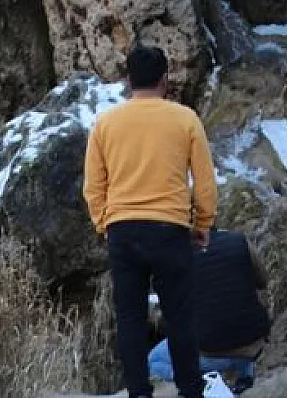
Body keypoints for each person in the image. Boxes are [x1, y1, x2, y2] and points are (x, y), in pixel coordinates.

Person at [83, 45, 218, 398]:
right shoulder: (185, 119)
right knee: (180, 318)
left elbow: (93, 186)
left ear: (128, 80)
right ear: (165, 79)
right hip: (170, 229)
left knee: (129, 318)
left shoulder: (106, 123)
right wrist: (202, 224)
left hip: (123, 230)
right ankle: (190, 391)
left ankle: (139, 392)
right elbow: (204, 182)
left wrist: (104, 223)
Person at [147, 230, 271, 395]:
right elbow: (263, 281)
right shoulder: (239, 241)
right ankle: (245, 376)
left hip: (210, 352)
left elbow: (171, 315)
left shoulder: (175, 257)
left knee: (155, 359)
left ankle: (201, 381)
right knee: (236, 318)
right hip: (253, 345)